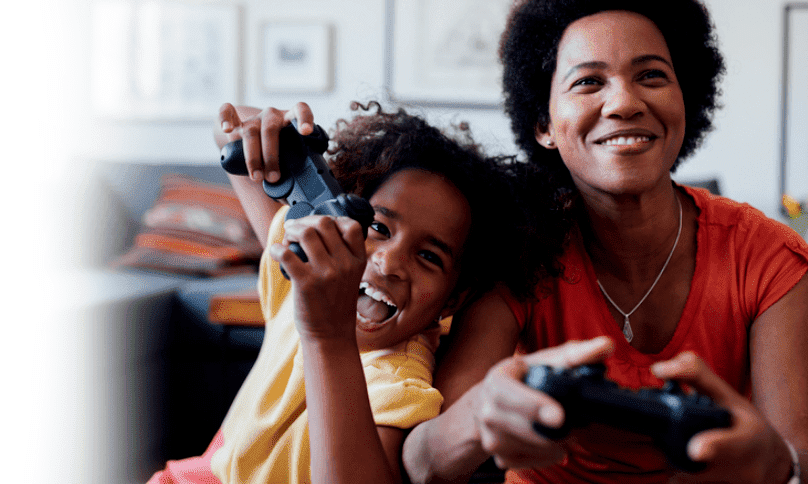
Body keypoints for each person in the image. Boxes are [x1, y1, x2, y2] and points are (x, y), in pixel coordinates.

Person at [402, 0, 808, 484]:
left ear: (686, 100)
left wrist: (776, 467)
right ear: (544, 125)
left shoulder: (770, 258)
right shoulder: (522, 250)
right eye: (588, 81)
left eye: (652, 75)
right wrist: (476, 417)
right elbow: (422, 464)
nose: (625, 102)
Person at [146, 100, 524, 484]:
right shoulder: (304, 276)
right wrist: (274, 135)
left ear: (452, 300)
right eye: (378, 229)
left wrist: (326, 333)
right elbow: (231, 128)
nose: (389, 262)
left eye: (428, 256)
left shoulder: (398, 381)